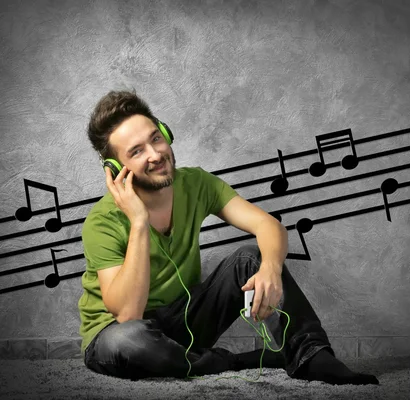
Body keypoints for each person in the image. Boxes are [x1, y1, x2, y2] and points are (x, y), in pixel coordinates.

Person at [77, 90, 379, 385]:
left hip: (183, 321)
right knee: (132, 340)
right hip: (115, 335)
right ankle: (232, 361)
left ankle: (310, 355)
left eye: (156, 138)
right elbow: (128, 314)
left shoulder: (195, 183)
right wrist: (139, 222)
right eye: (137, 151)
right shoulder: (102, 221)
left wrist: (271, 269)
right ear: (116, 168)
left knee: (251, 257)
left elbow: (267, 225)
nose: (156, 154)